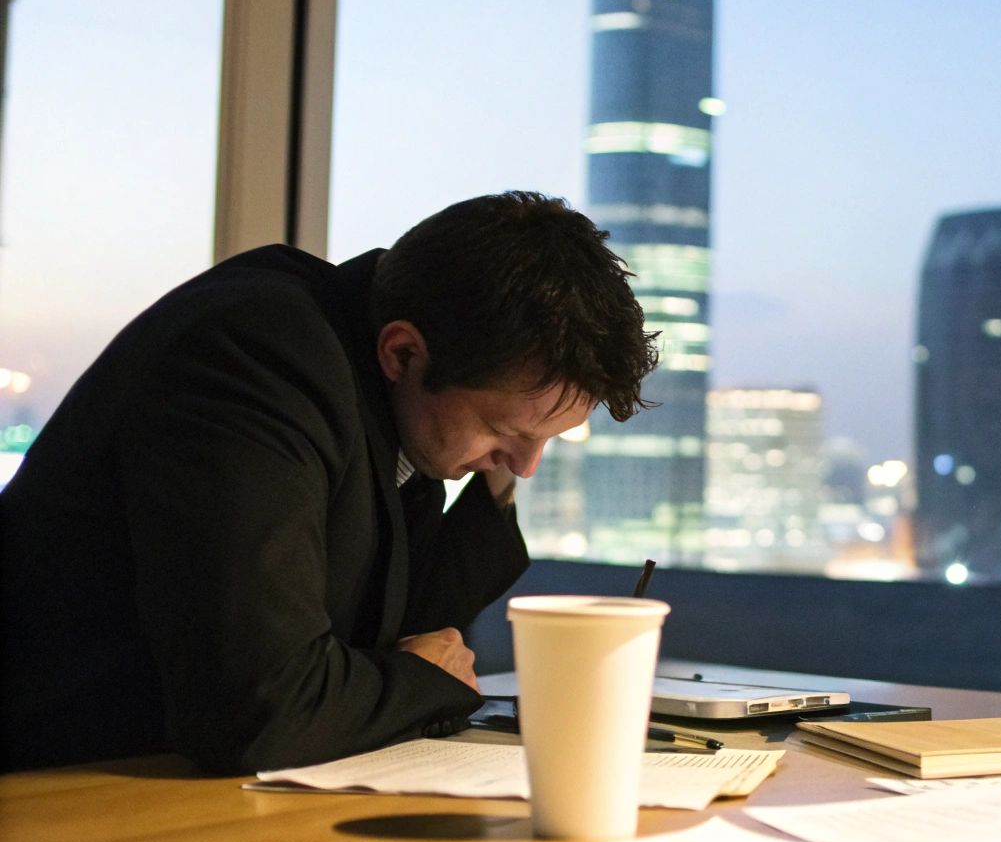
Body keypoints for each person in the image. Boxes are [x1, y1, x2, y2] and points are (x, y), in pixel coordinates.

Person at [0, 191, 660, 774]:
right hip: (52, 787)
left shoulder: (394, 394)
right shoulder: (259, 357)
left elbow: (409, 629)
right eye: (506, 433)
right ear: (404, 354)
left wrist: (495, 455)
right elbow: (259, 711)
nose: (527, 466)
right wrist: (423, 679)